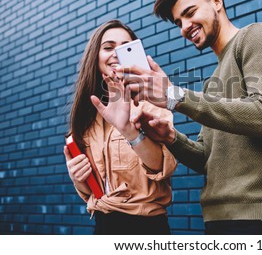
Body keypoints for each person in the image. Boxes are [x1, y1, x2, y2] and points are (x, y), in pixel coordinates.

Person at [119, 0, 262, 234]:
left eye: (190, 12)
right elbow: (206, 159)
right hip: (218, 218)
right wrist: (170, 137)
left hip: (260, 218)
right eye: (179, 22)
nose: (185, 26)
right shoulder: (212, 82)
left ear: (216, 1)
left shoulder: (255, 37)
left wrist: (176, 96)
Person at [63, 19, 177, 235]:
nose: (116, 53)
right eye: (108, 47)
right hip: (102, 226)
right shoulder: (88, 114)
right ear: (95, 56)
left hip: (145, 228)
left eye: (125, 47)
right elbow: (94, 190)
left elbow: (162, 166)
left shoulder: (150, 102)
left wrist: (128, 130)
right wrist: (78, 178)